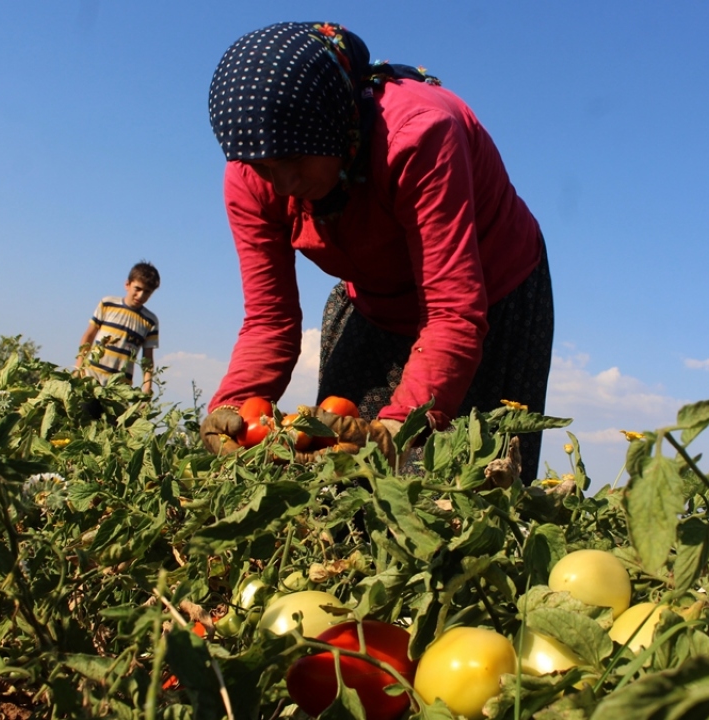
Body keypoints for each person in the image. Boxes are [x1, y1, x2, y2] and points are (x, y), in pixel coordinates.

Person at [199, 22, 553, 480]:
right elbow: (270, 319)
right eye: (263, 168)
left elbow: (452, 311)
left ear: (332, 126)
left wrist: (395, 431)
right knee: (336, 464)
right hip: (374, 296)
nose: (283, 184)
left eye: (292, 160)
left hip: (490, 293)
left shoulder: (419, 137)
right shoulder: (251, 178)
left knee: (468, 487)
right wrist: (231, 407)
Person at [75, 261, 161, 395]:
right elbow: (89, 336)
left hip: (120, 387)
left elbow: (147, 360)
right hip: (90, 378)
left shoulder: (150, 321)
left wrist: (147, 387)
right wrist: (78, 367)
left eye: (147, 292)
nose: (140, 295)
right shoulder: (107, 304)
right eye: (137, 289)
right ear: (127, 284)